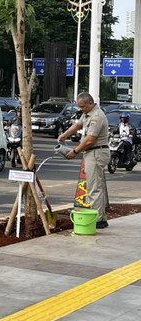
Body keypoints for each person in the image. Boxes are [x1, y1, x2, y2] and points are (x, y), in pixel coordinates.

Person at [58, 92, 110, 229]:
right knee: (96, 186)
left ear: (90, 103)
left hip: (96, 152)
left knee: (94, 188)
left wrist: (75, 151)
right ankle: (101, 217)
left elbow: (90, 140)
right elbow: (78, 125)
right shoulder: (88, 114)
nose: (81, 109)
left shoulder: (96, 116)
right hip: (92, 153)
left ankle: (98, 220)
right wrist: (64, 134)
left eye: (82, 106)